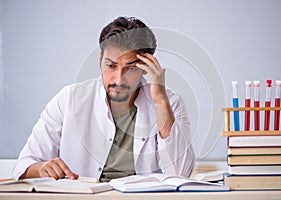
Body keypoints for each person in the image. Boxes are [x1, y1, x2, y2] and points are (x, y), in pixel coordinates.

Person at [12, 16, 195, 182]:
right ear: (100, 59)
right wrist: (41, 168)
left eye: (130, 68)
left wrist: (160, 100)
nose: (118, 79)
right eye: (111, 66)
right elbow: (23, 165)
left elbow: (180, 173)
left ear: (146, 66)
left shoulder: (169, 102)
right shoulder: (68, 99)